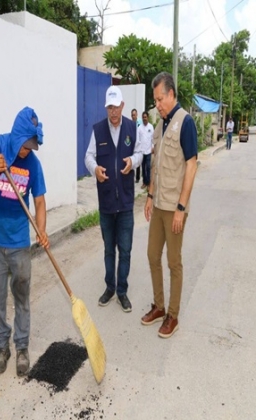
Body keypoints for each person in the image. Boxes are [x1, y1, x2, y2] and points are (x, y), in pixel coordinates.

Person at [0, 107, 49, 376]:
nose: (27, 151)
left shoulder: (33, 165)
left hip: (19, 243)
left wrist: (41, 230)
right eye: (25, 145)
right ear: (17, 136)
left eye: (31, 146)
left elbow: (39, 201)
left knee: (22, 296)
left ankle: (22, 347)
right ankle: (2, 346)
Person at [142, 72, 198, 338]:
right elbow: (156, 167)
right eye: (155, 100)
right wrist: (150, 197)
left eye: (160, 99)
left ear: (171, 94)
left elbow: (191, 165)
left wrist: (181, 208)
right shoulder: (159, 126)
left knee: (173, 262)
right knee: (153, 255)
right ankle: (159, 306)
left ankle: (172, 315)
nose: (158, 105)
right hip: (159, 205)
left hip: (175, 208)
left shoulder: (185, 122)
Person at [85, 86, 143, 312]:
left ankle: (122, 291)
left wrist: (133, 162)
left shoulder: (131, 127)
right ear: (107, 108)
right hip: (107, 202)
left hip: (126, 202)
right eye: (110, 107)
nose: (113, 112)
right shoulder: (98, 130)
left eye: (117, 107)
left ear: (123, 105)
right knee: (109, 249)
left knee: (125, 249)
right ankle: (110, 287)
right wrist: (95, 169)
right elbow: (88, 156)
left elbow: (140, 152)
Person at [138, 111, 154, 189]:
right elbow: (138, 140)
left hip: (148, 151)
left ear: (148, 117)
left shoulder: (151, 127)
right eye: (143, 117)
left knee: (148, 167)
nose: (144, 118)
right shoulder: (139, 128)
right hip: (142, 151)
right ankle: (144, 182)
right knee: (143, 168)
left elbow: (152, 138)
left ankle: (148, 183)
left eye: (145, 117)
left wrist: (153, 147)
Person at [131, 109, 142, 183]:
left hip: (139, 144)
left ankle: (137, 178)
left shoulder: (140, 122)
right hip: (132, 144)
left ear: (137, 115)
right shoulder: (130, 123)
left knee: (138, 160)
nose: (133, 116)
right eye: (132, 115)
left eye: (134, 115)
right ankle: (132, 176)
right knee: (132, 160)